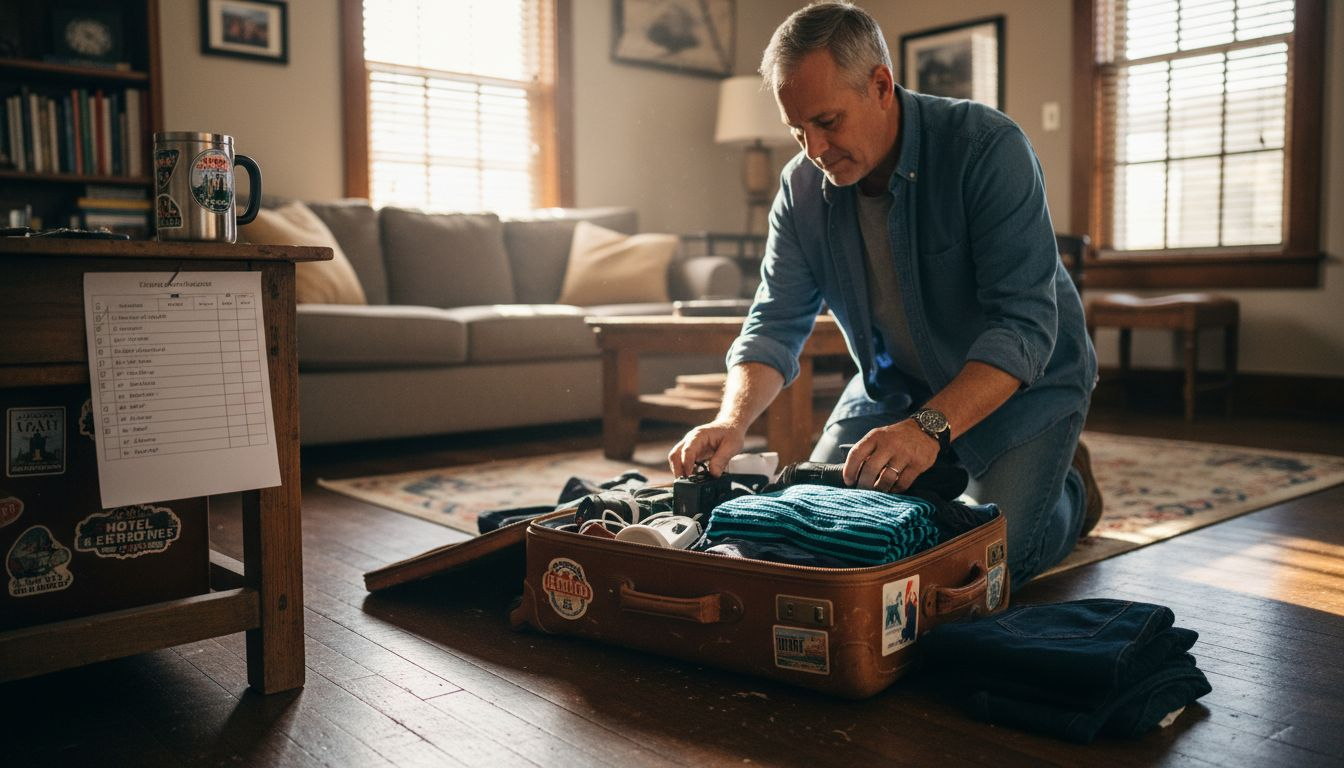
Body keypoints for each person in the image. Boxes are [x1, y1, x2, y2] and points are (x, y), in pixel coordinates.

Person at [668, 1, 1100, 584]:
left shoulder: (988, 149)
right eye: (797, 129)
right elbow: (774, 323)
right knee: (816, 532)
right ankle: (941, 468)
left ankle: (1070, 488)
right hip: (893, 387)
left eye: (827, 121)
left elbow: (1024, 330)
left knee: (979, 568)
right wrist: (731, 421)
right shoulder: (800, 189)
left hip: (1025, 389)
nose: (814, 148)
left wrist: (927, 429)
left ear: (880, 85)